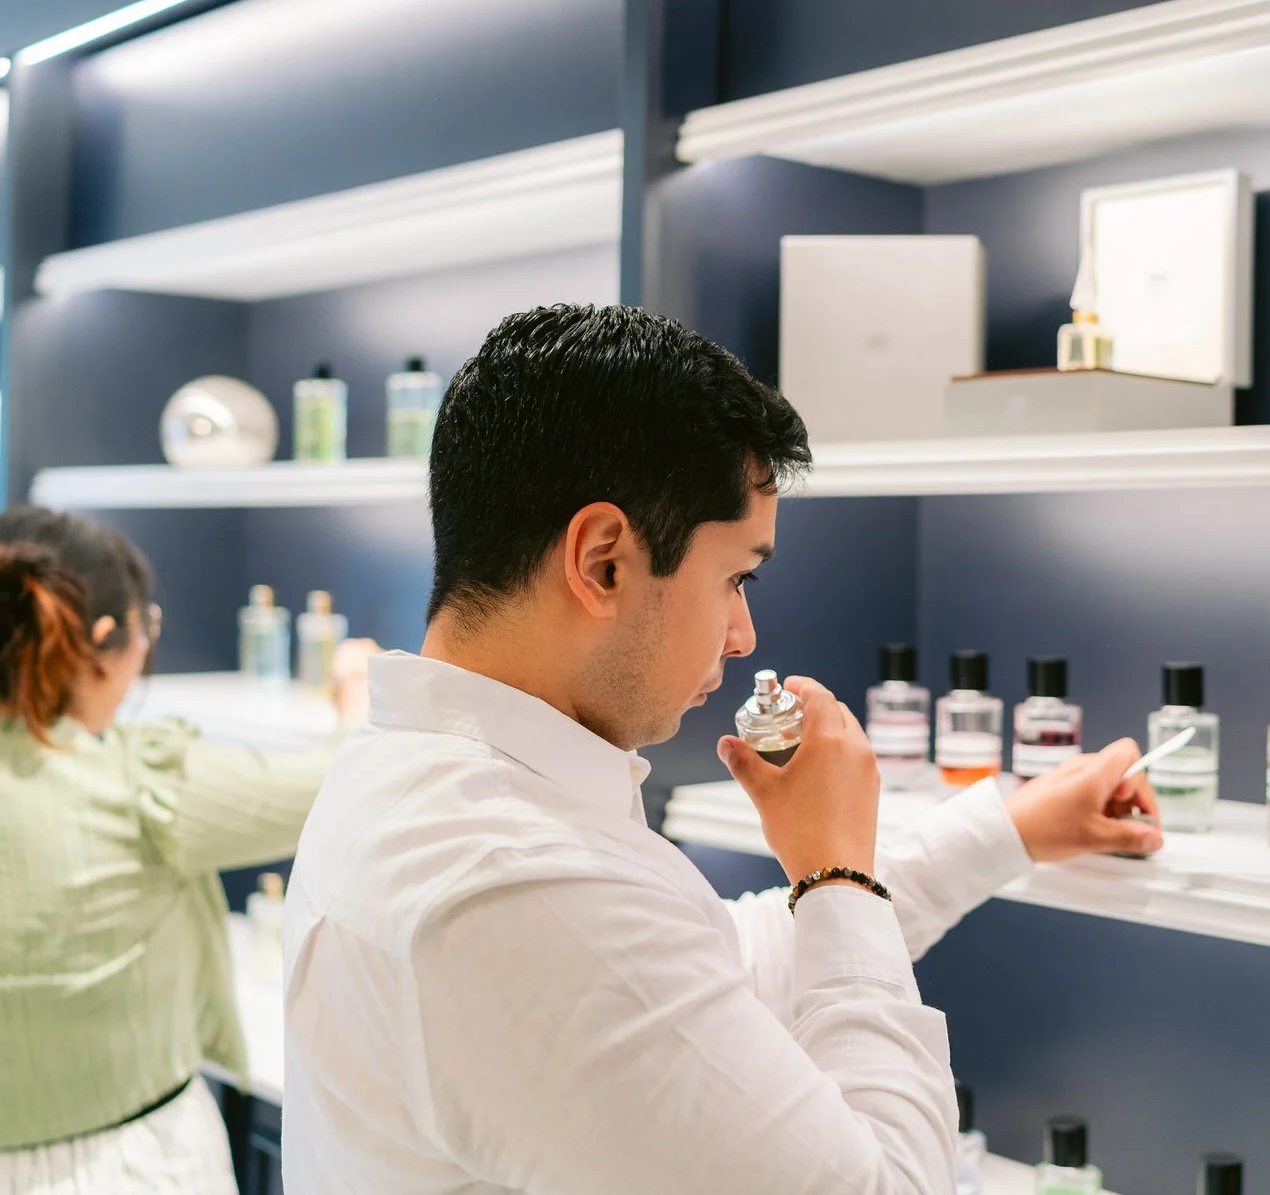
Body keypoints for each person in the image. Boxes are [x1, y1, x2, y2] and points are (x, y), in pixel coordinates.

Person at [282, 303, 1164, 1195]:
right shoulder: (513, 884)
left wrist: (1004, 831)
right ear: (603, 562)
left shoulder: (420, 779)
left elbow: (697, 973)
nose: (743, 633)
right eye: (736, 576)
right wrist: (835, 874)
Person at [0, 507, 368, 1193]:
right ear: (107, 638)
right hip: (131, 1167)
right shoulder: (139, 779)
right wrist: (357, 694)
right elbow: (344, 780)